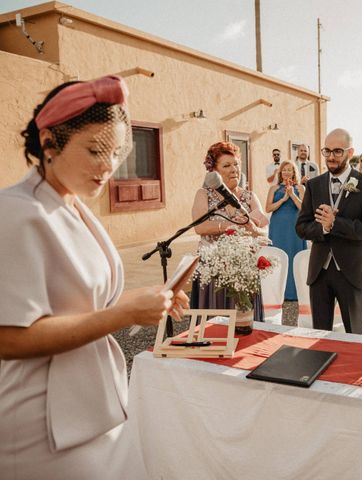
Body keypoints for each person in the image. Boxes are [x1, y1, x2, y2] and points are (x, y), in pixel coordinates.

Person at [0, 76, 189, 479]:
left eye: (118, 152)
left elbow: (85, 305)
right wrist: (122, 316)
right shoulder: (16, 213)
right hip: (43, 424)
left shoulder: (73, 205)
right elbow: (10, 337)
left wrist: (145, 300)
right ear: (49, 141)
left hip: (97, 408)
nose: (109, 166)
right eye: (95, 150)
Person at [296, 128, 362, 334]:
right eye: (327, 151)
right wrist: (323, 228)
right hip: (319, 272)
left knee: (355, 334)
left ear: (350, 153)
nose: (331, 157)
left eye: (337, 152)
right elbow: (301, 227)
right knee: (319, 335)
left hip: (351, 270)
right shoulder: (314, 185)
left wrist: (336, 223)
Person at [190, 141, 270, 322]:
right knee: (215, 323)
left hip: (243, 269)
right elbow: (199, 227)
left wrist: (253, 228)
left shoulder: (250, 196)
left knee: (243, 321)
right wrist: (231, 227)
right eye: (227, 165)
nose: (234, 169)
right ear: (214, 172)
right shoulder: (203, 194)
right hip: (213, 268)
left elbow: (264, 233)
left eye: (236, 164)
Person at [265, 160, 306, 301]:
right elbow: (268, 208)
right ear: (280, 172)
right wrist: (283, 199)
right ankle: (276, 293)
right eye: (284, 170)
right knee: (278, 255)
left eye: (290, 169)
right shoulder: (274, 188)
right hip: (278, 227)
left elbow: (304, 209)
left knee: (294, 255)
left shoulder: (300, 188)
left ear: (294, 172)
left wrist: (293, 195)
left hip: (295, 227)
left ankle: (293, 293)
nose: (287, 172)